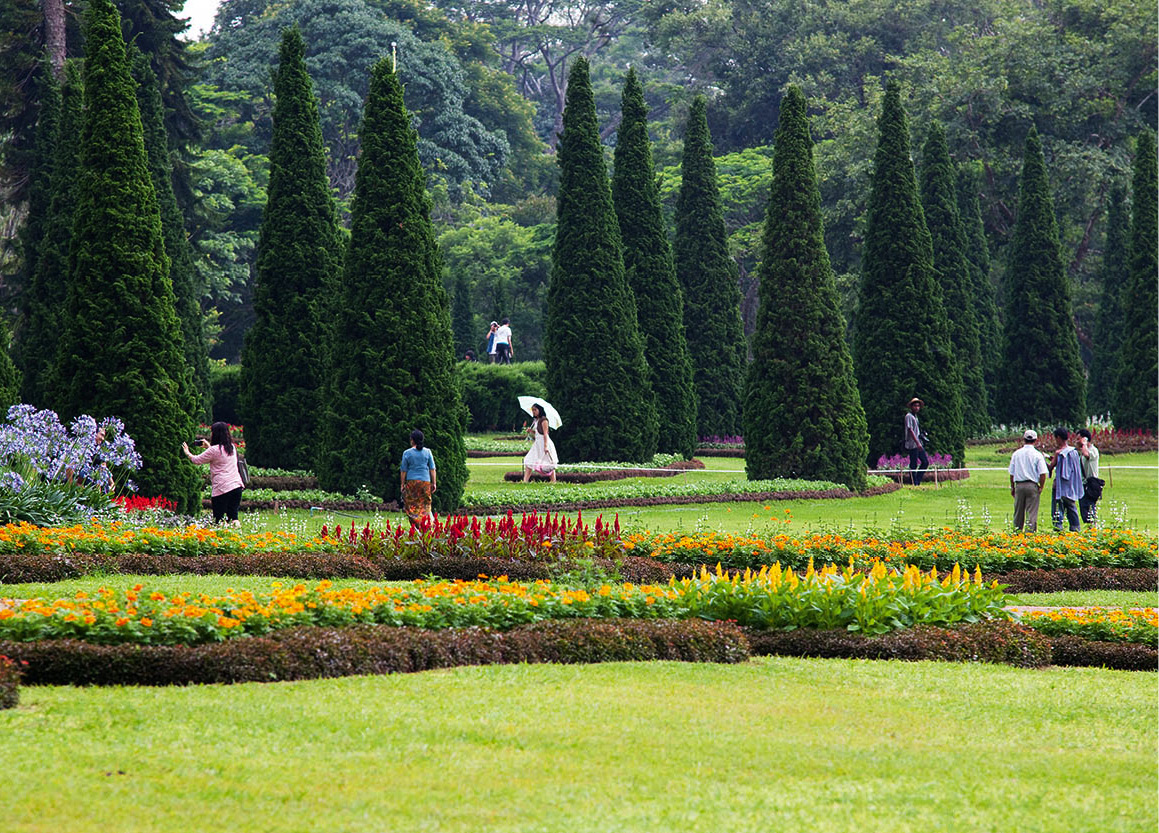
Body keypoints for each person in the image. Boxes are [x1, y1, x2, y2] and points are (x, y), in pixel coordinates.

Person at [182, 421, 244, 524]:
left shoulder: (214, 450)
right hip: (236, 486)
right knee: (234, 517)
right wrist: (208, 447)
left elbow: (196, 460)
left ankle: (220, 537)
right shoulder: (232, 447)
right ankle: (238, 536)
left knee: (219, 519)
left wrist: (187, 452)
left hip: (222, 488)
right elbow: (220, 455)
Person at [1008, 429, 1049, 532]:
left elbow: (1012, 473)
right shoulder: (1037, 455)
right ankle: (1030, 534)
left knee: (1018, 512)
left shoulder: (1016, 454)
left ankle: (1017, 533)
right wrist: (1041, 486)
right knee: (1031, 512)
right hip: (1032, 485)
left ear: (1024, 439)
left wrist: (1013, 487)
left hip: (1019, 485)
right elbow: (1043, 473)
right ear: (1035, 440)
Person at [1047, 426, 1084, 532]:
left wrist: (1043, 459)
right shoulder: (1074, 452)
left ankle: (1058, 528)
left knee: (1057, 509)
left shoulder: (1059, 453)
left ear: (1058, 437)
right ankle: (1075, 529)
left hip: (1059, 486)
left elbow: (1050, 467)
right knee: (1072, 508)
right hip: (1071, 485)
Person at [400, 429, 437, 524]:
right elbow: (432, 469)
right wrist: (434, 483)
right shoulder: (428, 452)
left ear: (412, 440)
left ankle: (417, 524)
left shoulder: (407, 453)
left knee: (411, 504)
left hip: (412, 482)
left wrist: (402, 484)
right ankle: (428, 524)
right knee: (426, 504)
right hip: (425, 482)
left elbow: (403, 470)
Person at [522, 403, 558, 483]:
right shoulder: (536, 420)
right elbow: (538, 433)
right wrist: (531, 431)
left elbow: (545, 434)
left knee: (549, 462)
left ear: (540, 410)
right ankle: (525, 480)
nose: (533, 412)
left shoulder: (544, 420)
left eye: (535, 410)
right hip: (537, 443)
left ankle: (553, 480)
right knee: (529, 460)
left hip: (544, 443)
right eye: (533, 410)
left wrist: (545, 446)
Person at [1076, 428, 1102, 525]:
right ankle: (1090, 529)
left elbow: (1087, 454)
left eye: (1078, 439)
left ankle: (1093, 529)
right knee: (1084, 509)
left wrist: (1084, 444)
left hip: (1091, 485)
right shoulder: (1082, 453)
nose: (1076, 441)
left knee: (1090, 509)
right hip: (1083, 485)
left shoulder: (1093, 451)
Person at [903, 397, 929, 486]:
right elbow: (910, 430)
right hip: (913, 443)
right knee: (913, 463)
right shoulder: (909, 416)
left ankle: (917, 480)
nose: (917, 407)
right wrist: (917, 443)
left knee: (925, 462)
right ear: (911, 407)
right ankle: (914, 482)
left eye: (918, 406)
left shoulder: (915, 416)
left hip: (918, 442)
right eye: (915, 406)